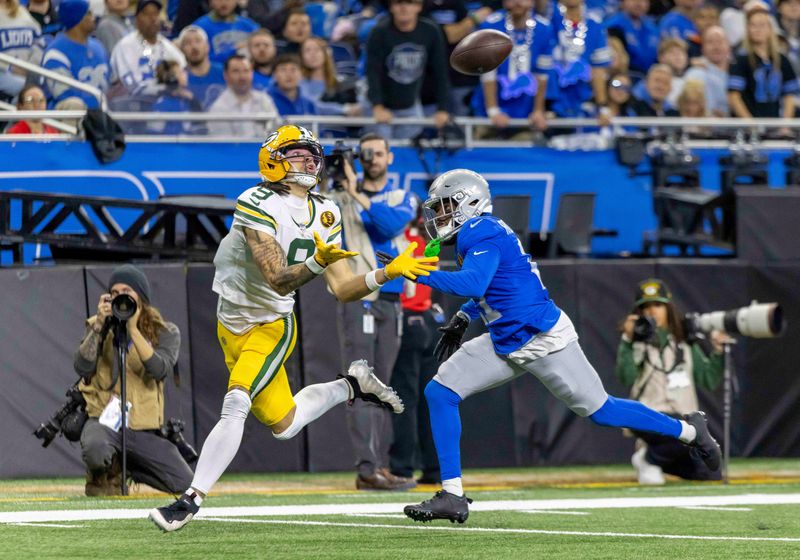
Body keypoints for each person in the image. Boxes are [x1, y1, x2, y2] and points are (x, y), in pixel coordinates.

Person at [149, 125, 437, 531]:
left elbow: (341, 288)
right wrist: (317, 262)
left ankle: (190, 500)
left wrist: (386, 273)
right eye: (297, 154)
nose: (308, 161)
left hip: (271, 323)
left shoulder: (327, 211)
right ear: (272, 159)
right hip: (231, 323)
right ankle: (351, 386)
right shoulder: (255, 201)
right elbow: (276, 276)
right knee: (285, 425)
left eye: (311, 154)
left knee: (236, 402)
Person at [402, 169, 722, 523]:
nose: (439, 215)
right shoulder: (480, 232)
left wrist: (414, 271)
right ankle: (452, 495)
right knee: (440, 392)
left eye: (445, 206)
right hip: (506, 338)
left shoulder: (481, 230)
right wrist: (464, 316)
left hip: (541, 338)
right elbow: (500, 285)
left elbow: (474, 282)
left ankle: (690, 431)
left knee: (603, 411)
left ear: (469, 202)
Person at [323, 132, 419, 491]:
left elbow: (389, 225)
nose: (372, 159)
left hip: (391, 299)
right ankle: (367, 468)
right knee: (363, 385)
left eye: (378, 153)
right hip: (360, 297)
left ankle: (378, 465)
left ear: (390, 157)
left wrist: (354, 192)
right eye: (366, 154)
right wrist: (338, 186)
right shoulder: (339, 198)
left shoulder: (401, 196)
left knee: (382, 387)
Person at [74, 264, 194, 496]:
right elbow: (81, 367)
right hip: (104, 421)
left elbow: (159, 370)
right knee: (96, 449)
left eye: (127, 292)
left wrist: (133, 330)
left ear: (141, 297)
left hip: (143, 427)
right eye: (115, 293)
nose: (121, 297)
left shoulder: (164, 331)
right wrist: (99, 326)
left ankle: (130, 467)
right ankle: (107, 470)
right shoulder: (98, 325)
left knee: (185, 483)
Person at [616, 279, 727, 485]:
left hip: (685, 421)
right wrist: (628, 339)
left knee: (710, 473)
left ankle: (650, 458)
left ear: (668, 308)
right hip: (649, 415)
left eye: (658, 305)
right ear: (638, 312)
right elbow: (626, 377)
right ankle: (650, 459)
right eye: (646, 307)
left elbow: (708, 380)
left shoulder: (684, 341)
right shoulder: (636, 342)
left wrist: (718, 351)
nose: (652, 311)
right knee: (671, 431)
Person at [387, 216, 442, 486]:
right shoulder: (428, 243)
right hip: (430, 322)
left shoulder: (402, 243)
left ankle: (402, 468)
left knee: (404, 399)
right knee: (430, 400)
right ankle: (435, 468)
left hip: (407, 319)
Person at [365, 0, 450, 140]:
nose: (404, 7)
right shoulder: (379, 32)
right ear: (391, 7)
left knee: (410, 150)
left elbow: (440, 72)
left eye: (410, 2)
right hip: (381, 104)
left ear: (419, 6)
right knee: (380, 147)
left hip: (410, 103)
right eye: (399, 3)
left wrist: (443, 109)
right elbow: (372, 72)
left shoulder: (430, 31)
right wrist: (377, 106)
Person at [470, 0, 554, 137]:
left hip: (525, 112)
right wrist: (493, 111)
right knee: (483, 144)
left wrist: (538, 110)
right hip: (487, 111)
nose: (517, 2)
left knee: (525, 145)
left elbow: (542, 75)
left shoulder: (544, 28)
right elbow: (488, 73)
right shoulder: (490, 26)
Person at [728, 1, 798, 119]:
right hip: (750, 124)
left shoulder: (782, 60)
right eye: (753, 25)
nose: (757, 29)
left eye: (762, 25)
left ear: (770, 28)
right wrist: (750, 123)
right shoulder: (741, 59)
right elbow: (733, 96)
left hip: (775, 122)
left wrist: (785, 124)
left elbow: (789, 95)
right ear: (747, 29)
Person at [110, 0, 187, 96]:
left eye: (156, 14)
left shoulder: (167, 47)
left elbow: (184, 75)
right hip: (133, 102)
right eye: (147, 14)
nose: (153, 18)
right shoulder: (125, 46)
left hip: (166, 101)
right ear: (137, 19)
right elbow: (130, 85)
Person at [41, 0, 109, 108]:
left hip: (102, 112)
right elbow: (64, 95)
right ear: (77, 19)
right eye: (88, 13)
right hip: (69, 115)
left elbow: (110, 85)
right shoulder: (56, 53)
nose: (93, 17)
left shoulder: (98, 47)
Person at [207, 54, 279, 137]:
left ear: (252, 73)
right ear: (226, 76)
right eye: (236, 71)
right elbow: (224, 144)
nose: (242, 76)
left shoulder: (264, 100)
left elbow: (277, 133)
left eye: (246, 71)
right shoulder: (218, 108)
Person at [191, 0, 258, 64]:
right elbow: (198, 60)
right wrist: (233, 50)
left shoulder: (250, 26)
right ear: (210, 1)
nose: (224, 2)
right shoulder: (199, 28)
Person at [177, 25, 225, 109]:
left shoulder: (224, 72)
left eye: (198, 41)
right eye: (188, 43)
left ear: (207, 46)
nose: (194, 46)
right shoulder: (179, 78)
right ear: (181, 50)